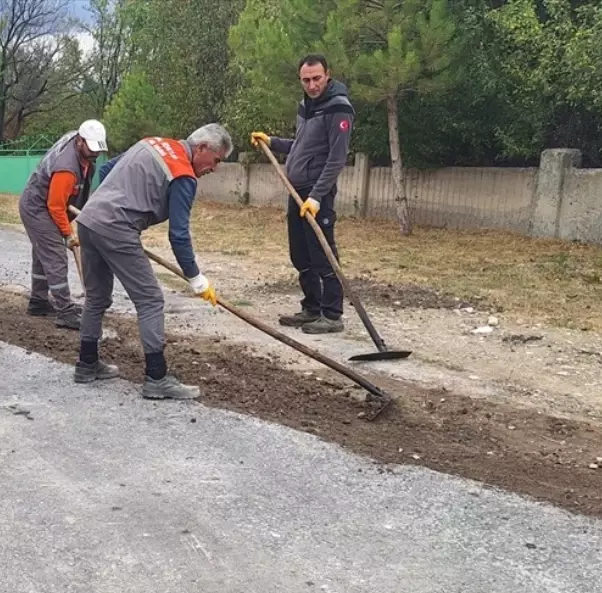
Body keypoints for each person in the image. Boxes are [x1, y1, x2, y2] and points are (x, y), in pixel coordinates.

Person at [71, 123, 232, 400]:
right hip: (116, 228)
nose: (214, 168)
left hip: (89, 220)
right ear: (202, 148)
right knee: (150, 300)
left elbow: (107, 171)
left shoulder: (151, 142)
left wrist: (119, 203)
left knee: (96, 298)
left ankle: (86, 364)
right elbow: (179, 235)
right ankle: (156, 377)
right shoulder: (183, 173)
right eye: (216, 160)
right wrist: (196, 278)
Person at [251, 54, 355, 335]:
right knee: (300, 254)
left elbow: (337, 158)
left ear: (328, 75)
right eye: (306, 80)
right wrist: (271, 142)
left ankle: (332, 315)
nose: (311, 85)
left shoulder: (338, 108)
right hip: (295, 190)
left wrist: (318, 196)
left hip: (316, 193)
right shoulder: (307, 106)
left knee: (322, 253)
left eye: (316, 78)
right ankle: (312, 308)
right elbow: (302, 145)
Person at [18, 120, 109, 330]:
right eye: (91, 148)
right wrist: (68, 235)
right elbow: (56, 205)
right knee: (55, 256)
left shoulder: (81, 154)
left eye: (97, 149)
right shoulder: (67, 168)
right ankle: (65, 311)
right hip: (37, 207)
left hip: (44, 204)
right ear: (79, 142)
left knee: (43, 256)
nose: (95, 153)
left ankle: (38, 302)